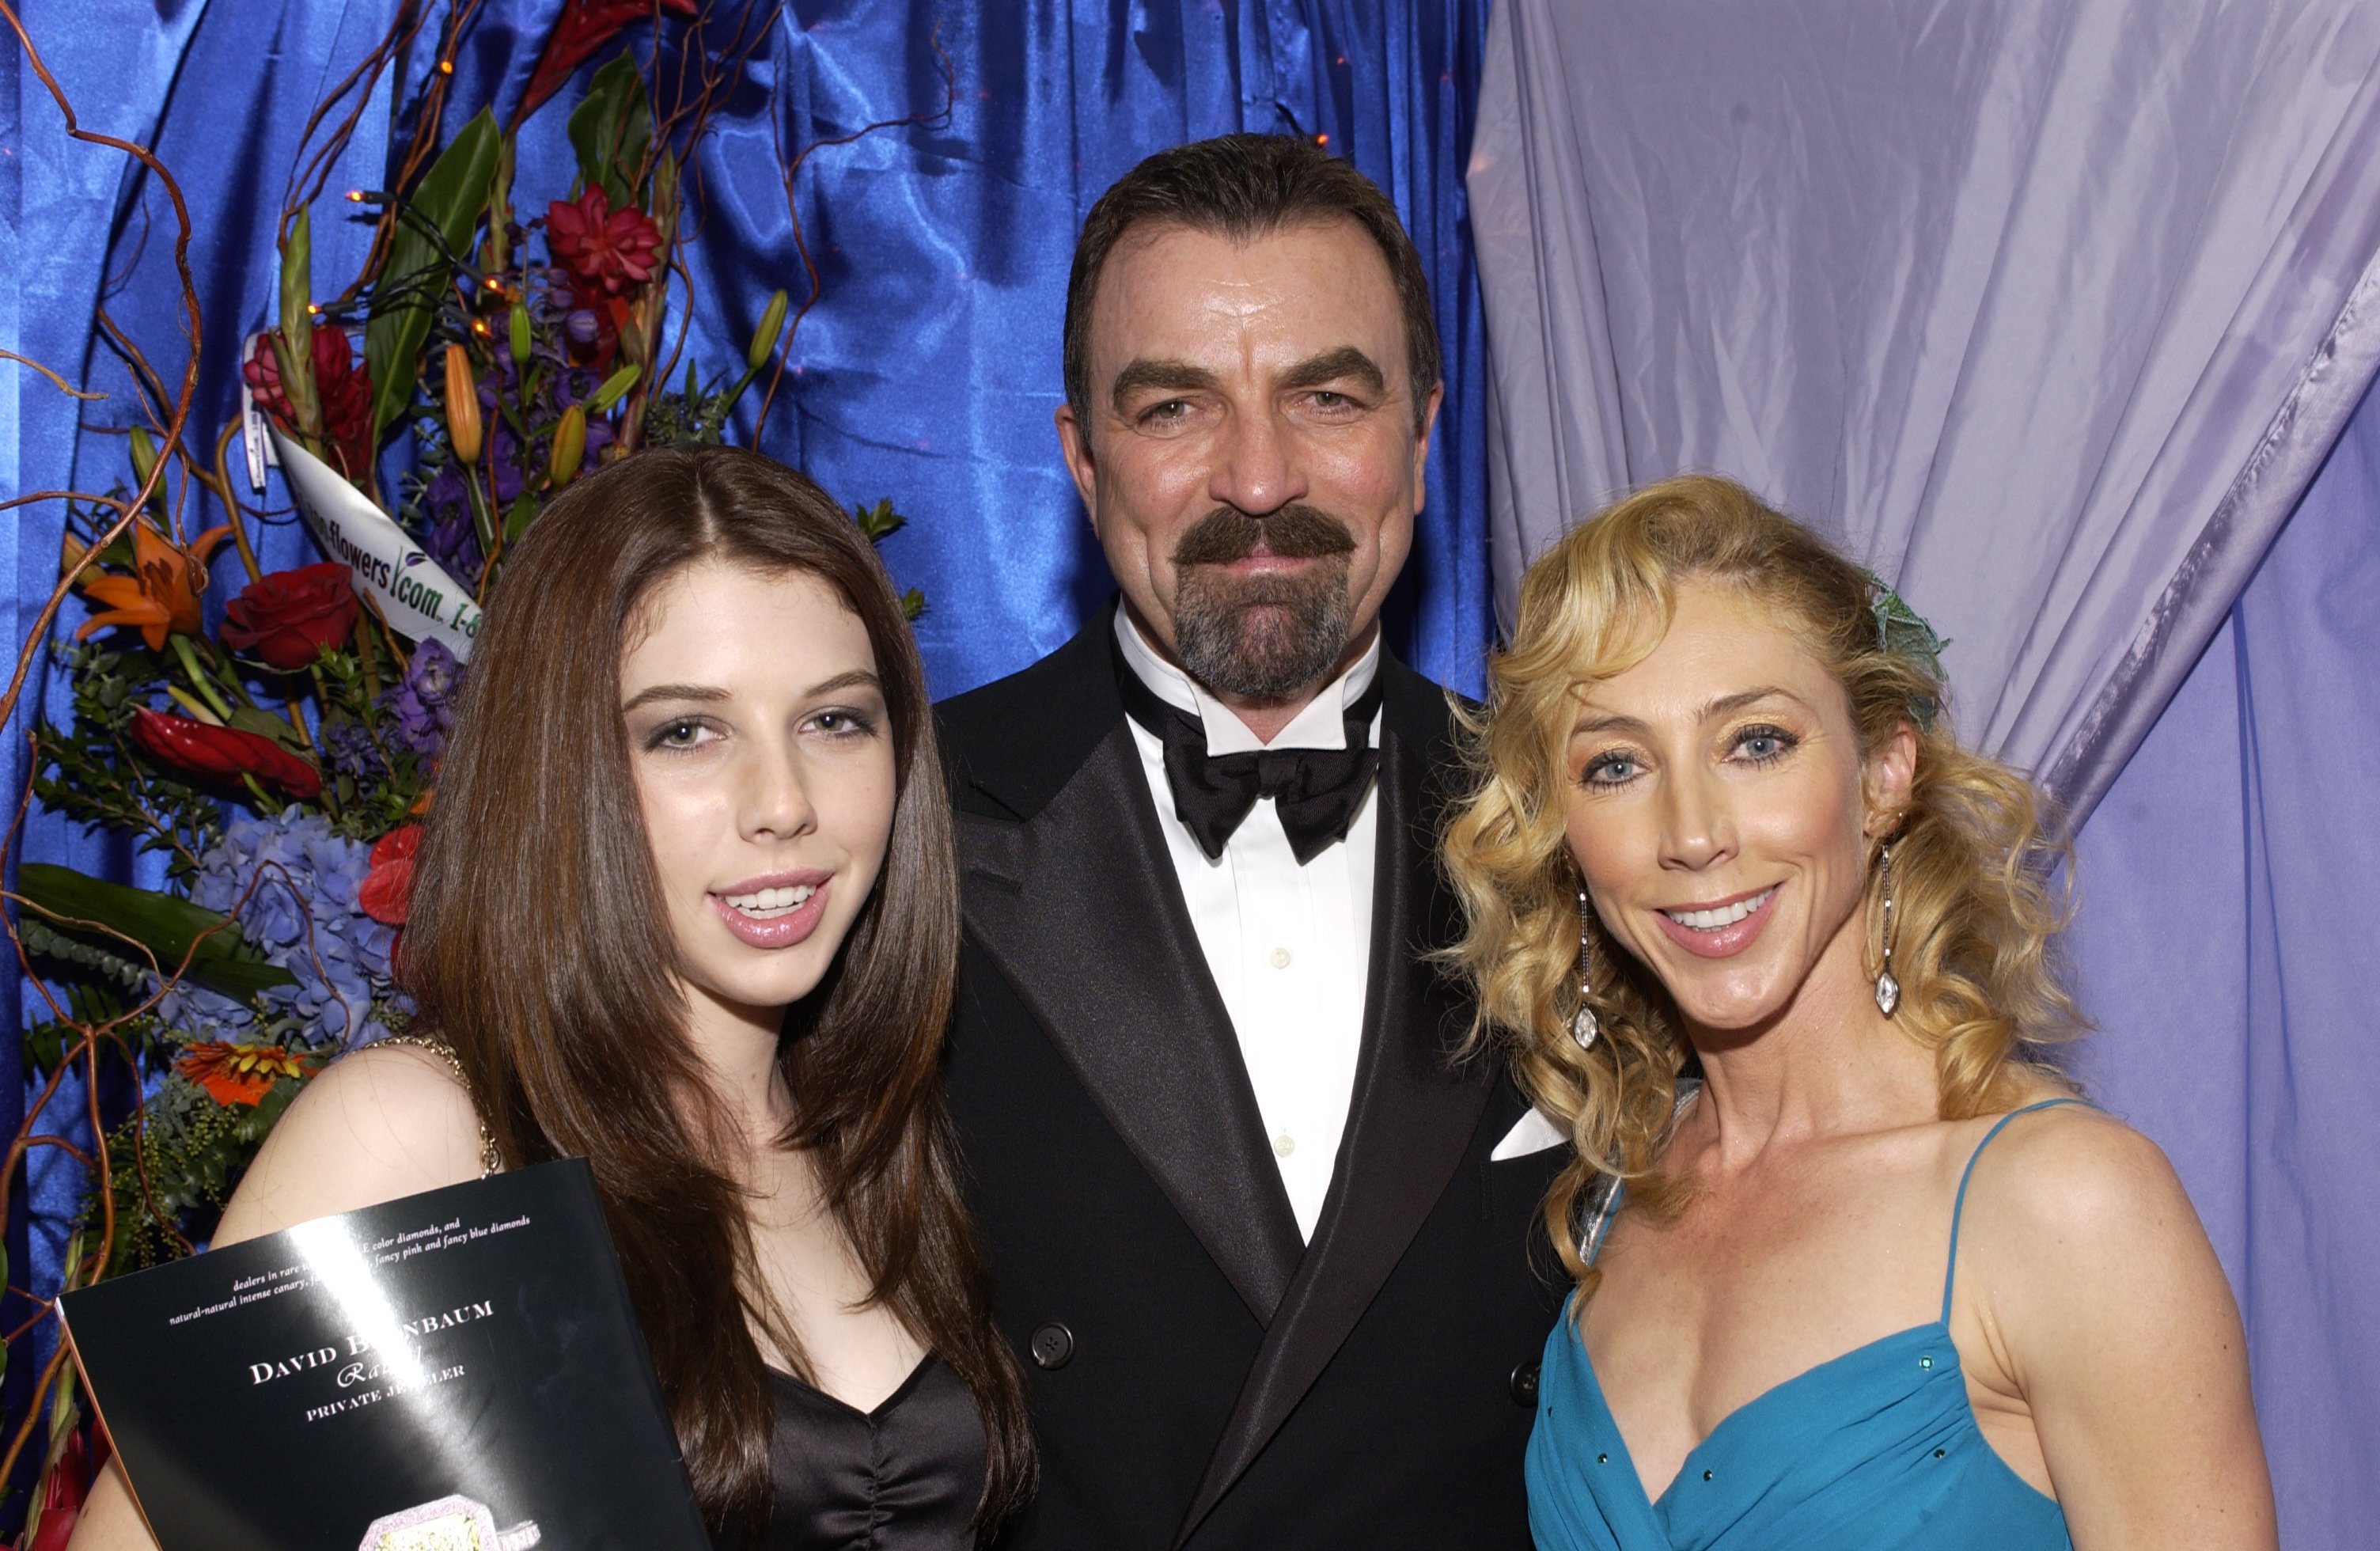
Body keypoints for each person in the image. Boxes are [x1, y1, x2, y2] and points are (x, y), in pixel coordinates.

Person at [70, 446, 1032, 1550]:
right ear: (559, 768)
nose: (783, 804)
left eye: (834, 721)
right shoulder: (418, 1132)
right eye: (685, 731)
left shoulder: (886, 1129)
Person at [1438, 473, 2278, 1550]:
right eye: (1616, 765)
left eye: (1755, 743)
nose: (1692, 833)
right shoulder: (1613, 1199)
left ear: (1885, 773)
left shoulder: (2067, 1207)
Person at [935, 133, 1565, 1550]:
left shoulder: (1583, 824)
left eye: (1327, 396)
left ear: (1421, 436)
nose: (1260, 478)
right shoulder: (892, 825)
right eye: (1175, 409)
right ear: (1081, 460)